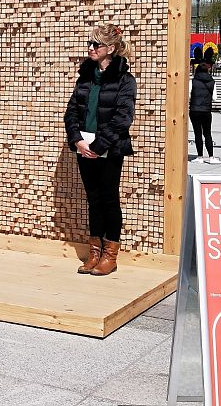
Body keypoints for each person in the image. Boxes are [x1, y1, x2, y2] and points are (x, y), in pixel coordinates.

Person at [64, 23, 136, 276]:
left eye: (96, 44)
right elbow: (71, 112)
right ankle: (94, 252)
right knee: (93, 200)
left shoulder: (125, 80)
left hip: (108, 149)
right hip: (85, 148)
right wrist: (78, 141)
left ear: (111, 48)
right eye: (90, 43)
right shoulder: (85, 77)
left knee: (109, 199)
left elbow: (123, 117)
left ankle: (110, 255)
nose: (91, 48)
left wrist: (98, 145)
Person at [189, 49, 220, 164]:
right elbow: (215, 98)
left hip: (194, 110)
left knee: (197, 133)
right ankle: (211, 157)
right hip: (206, 111)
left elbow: (188, 95)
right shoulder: (212, 81)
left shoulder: (193, 81)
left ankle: (200, 157)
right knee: (207, 133)